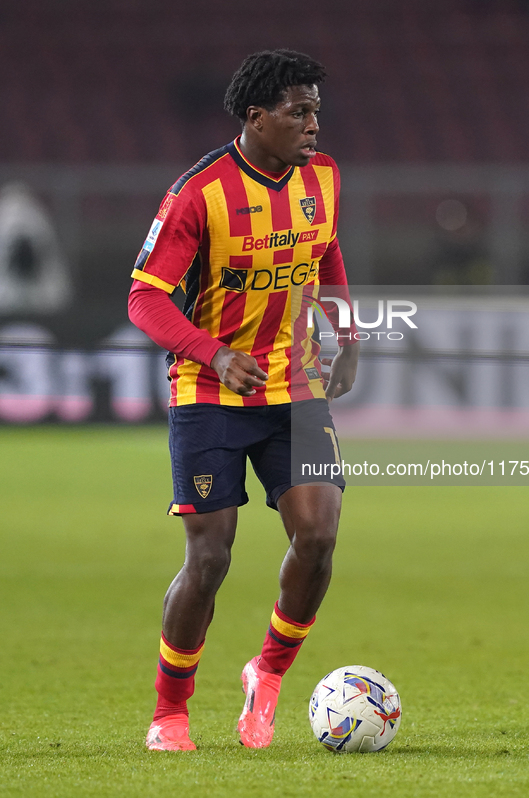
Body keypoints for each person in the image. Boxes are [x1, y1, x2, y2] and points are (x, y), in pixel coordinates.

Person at [128, 49, 359, 751]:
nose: (313, 124)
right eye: (299, 111)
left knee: (318, 537)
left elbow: (324, 253)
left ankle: (267, 671)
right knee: (211, 557)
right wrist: (214, 352)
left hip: (293, 386)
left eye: (316, 108)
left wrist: (345, 333)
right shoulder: (198, 194)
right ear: (256, 118)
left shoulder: (322, 177)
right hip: (209, 391)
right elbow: (144, 298)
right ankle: (170, 710)